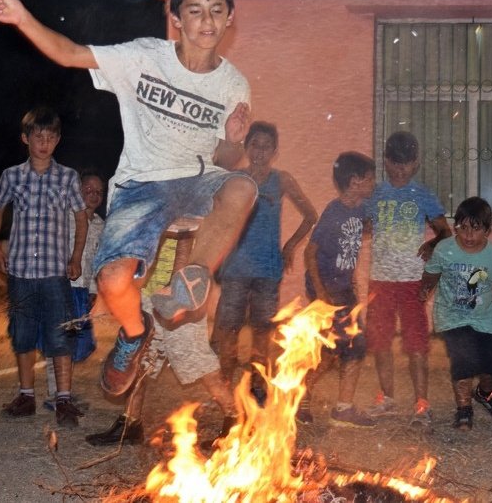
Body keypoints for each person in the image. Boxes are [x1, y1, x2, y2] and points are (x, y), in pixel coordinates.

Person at [0, 0, 258, 397]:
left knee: (244, 186)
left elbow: (227, 159)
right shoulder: (144, 56)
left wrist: (234, 141)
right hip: (141, 186)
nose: (206, 21)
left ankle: (191, 280)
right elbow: (70, 52)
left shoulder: (233, 85)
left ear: (230, 16)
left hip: (197, 180)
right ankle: (134, 333)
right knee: (112, 281)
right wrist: (22, 18)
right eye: (194, 10)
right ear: (175, 17)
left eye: (216, 10)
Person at [86, 234, 240, 448]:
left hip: (178, 298)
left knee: (199, 364)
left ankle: (235, 422)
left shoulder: (182, 207)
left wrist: (174, 295)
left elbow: (186, 237)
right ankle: (130, 425)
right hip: (149, 295)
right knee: (138, 360)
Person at [0, 106, 88, 428]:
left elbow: (81, 218)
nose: (43, 143)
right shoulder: (12, 176)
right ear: (25, 139)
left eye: (50, 137)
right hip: (20, 272)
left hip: (54, 273)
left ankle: (64, 399)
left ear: (57, 140)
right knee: (22, 335)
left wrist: (75, 257)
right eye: (37, 137)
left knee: (61, 337)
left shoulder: (68, 177)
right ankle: (26, 395)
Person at [212, 121, 318, 405]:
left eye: (266, 146)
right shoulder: (235, 178)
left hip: (268, 270)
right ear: (246, 148)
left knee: (262, 331)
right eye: (255, 145)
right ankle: (224, 384)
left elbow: (310, 214)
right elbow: (217, 218)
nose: (260, 152)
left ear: (275, 151)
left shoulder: (281, 180)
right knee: (229, 331)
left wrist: (290, 245)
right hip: (235, 268)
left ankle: (258, 386)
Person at [364, 131, 451, 428]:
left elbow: (445, 231)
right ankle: (386, 398)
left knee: (416, 342)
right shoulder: (375, 194)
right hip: (380, 279)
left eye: (407, 164)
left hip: (412, 280)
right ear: (386, 162)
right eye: (395, 164)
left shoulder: (422, 194)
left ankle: (421, 404)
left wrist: (432, 243)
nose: (401, 170)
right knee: (380, 340)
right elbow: (361, 225)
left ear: (415, 164)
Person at [420, 197, 492, 431]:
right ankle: (464, 408)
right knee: (463, 358)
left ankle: (484, 394)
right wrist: (425, 288)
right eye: (463, 228)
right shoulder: (444, 249)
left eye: (476, 228)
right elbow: (431, 273)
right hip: (451, 315)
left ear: (488, 231)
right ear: (456, 227)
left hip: (485, 316)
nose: (469, 235)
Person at [299, 151, 376, 428]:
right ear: (355, 181)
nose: (373, 183)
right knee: (336, 349)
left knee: (349, 346)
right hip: (328, 292)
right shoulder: (334, 212)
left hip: (344, 289)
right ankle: (304, 397)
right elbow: (310, 253)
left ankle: (337, 405)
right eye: (369, 178)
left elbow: (362, 229)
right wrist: (320, 293)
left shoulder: (359, 209)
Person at [43, 171, 106, 411]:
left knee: (79, 344)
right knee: (59, 342)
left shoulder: (100, 225)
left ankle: (64, 392)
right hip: (60, 287)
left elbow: (97, 262)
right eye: (88, 190)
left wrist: (92, 290)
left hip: (81, 290)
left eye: (98, 192)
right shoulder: (63, 218)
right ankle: (56, 396)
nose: (93, 195)